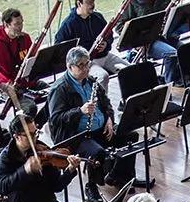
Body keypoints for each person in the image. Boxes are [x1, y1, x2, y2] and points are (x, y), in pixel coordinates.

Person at [46, 46, 129, 190]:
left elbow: (106, 103)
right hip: (76, 136)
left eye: (87, 64)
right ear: (69, 67)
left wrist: (109, 118)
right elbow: (55, 119)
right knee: (97, 152)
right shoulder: (60, 89)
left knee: (129, 137)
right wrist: (80, 111)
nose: (86, 69)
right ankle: (92, 186)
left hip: (99, 129)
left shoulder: (90, 80)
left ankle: (118, 176)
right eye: (81, 65)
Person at [113, 0, 178, 77]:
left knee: (185, 49)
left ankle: (179, 77)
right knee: (172, 54)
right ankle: (170, 83)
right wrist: (136, 43)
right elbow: (120, 26)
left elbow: (172, 17)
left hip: (163, 37)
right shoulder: (131, 2)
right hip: (145, 43)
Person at [55, 0, 122, 76]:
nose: (93, 5)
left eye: (93, 1)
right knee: (102, 76)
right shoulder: (68, 24)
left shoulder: (98, 17)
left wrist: (106, 43)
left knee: (129, 69)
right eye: (89, 2)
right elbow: (59, 46)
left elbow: (110, 35)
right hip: (86, 63)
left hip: (105, 56)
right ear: (79, 3)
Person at [0, 8, 35, 92]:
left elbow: (32, 58)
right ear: (6, 24)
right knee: (28, 105)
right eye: (17, 24)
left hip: (27, 82)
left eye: (21, 23)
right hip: (8, 87)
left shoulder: (25, 38)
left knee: (54, 93)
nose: (20, 27)